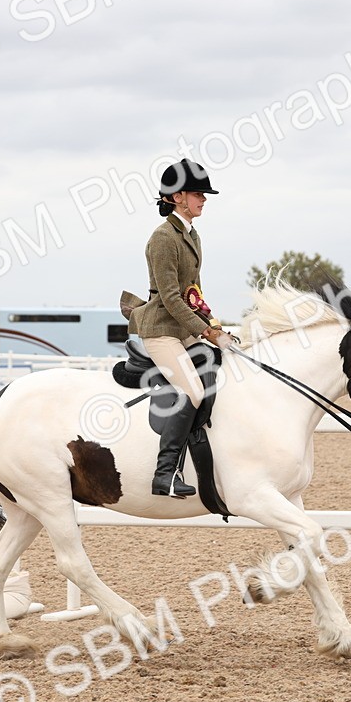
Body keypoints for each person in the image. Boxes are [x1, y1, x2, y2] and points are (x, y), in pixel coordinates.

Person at [126, 159, 234, 498]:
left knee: (222, 365)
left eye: (204, 194)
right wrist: (205, 332)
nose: (204, 199)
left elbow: (194, 295)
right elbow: (172, 299)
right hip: (160, 328)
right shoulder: (162, 239)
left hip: (182, 326)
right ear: (176, 197)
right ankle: (165, 474)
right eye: (198, 193)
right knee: (193, 391)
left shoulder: (192, 235)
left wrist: (215, 327)